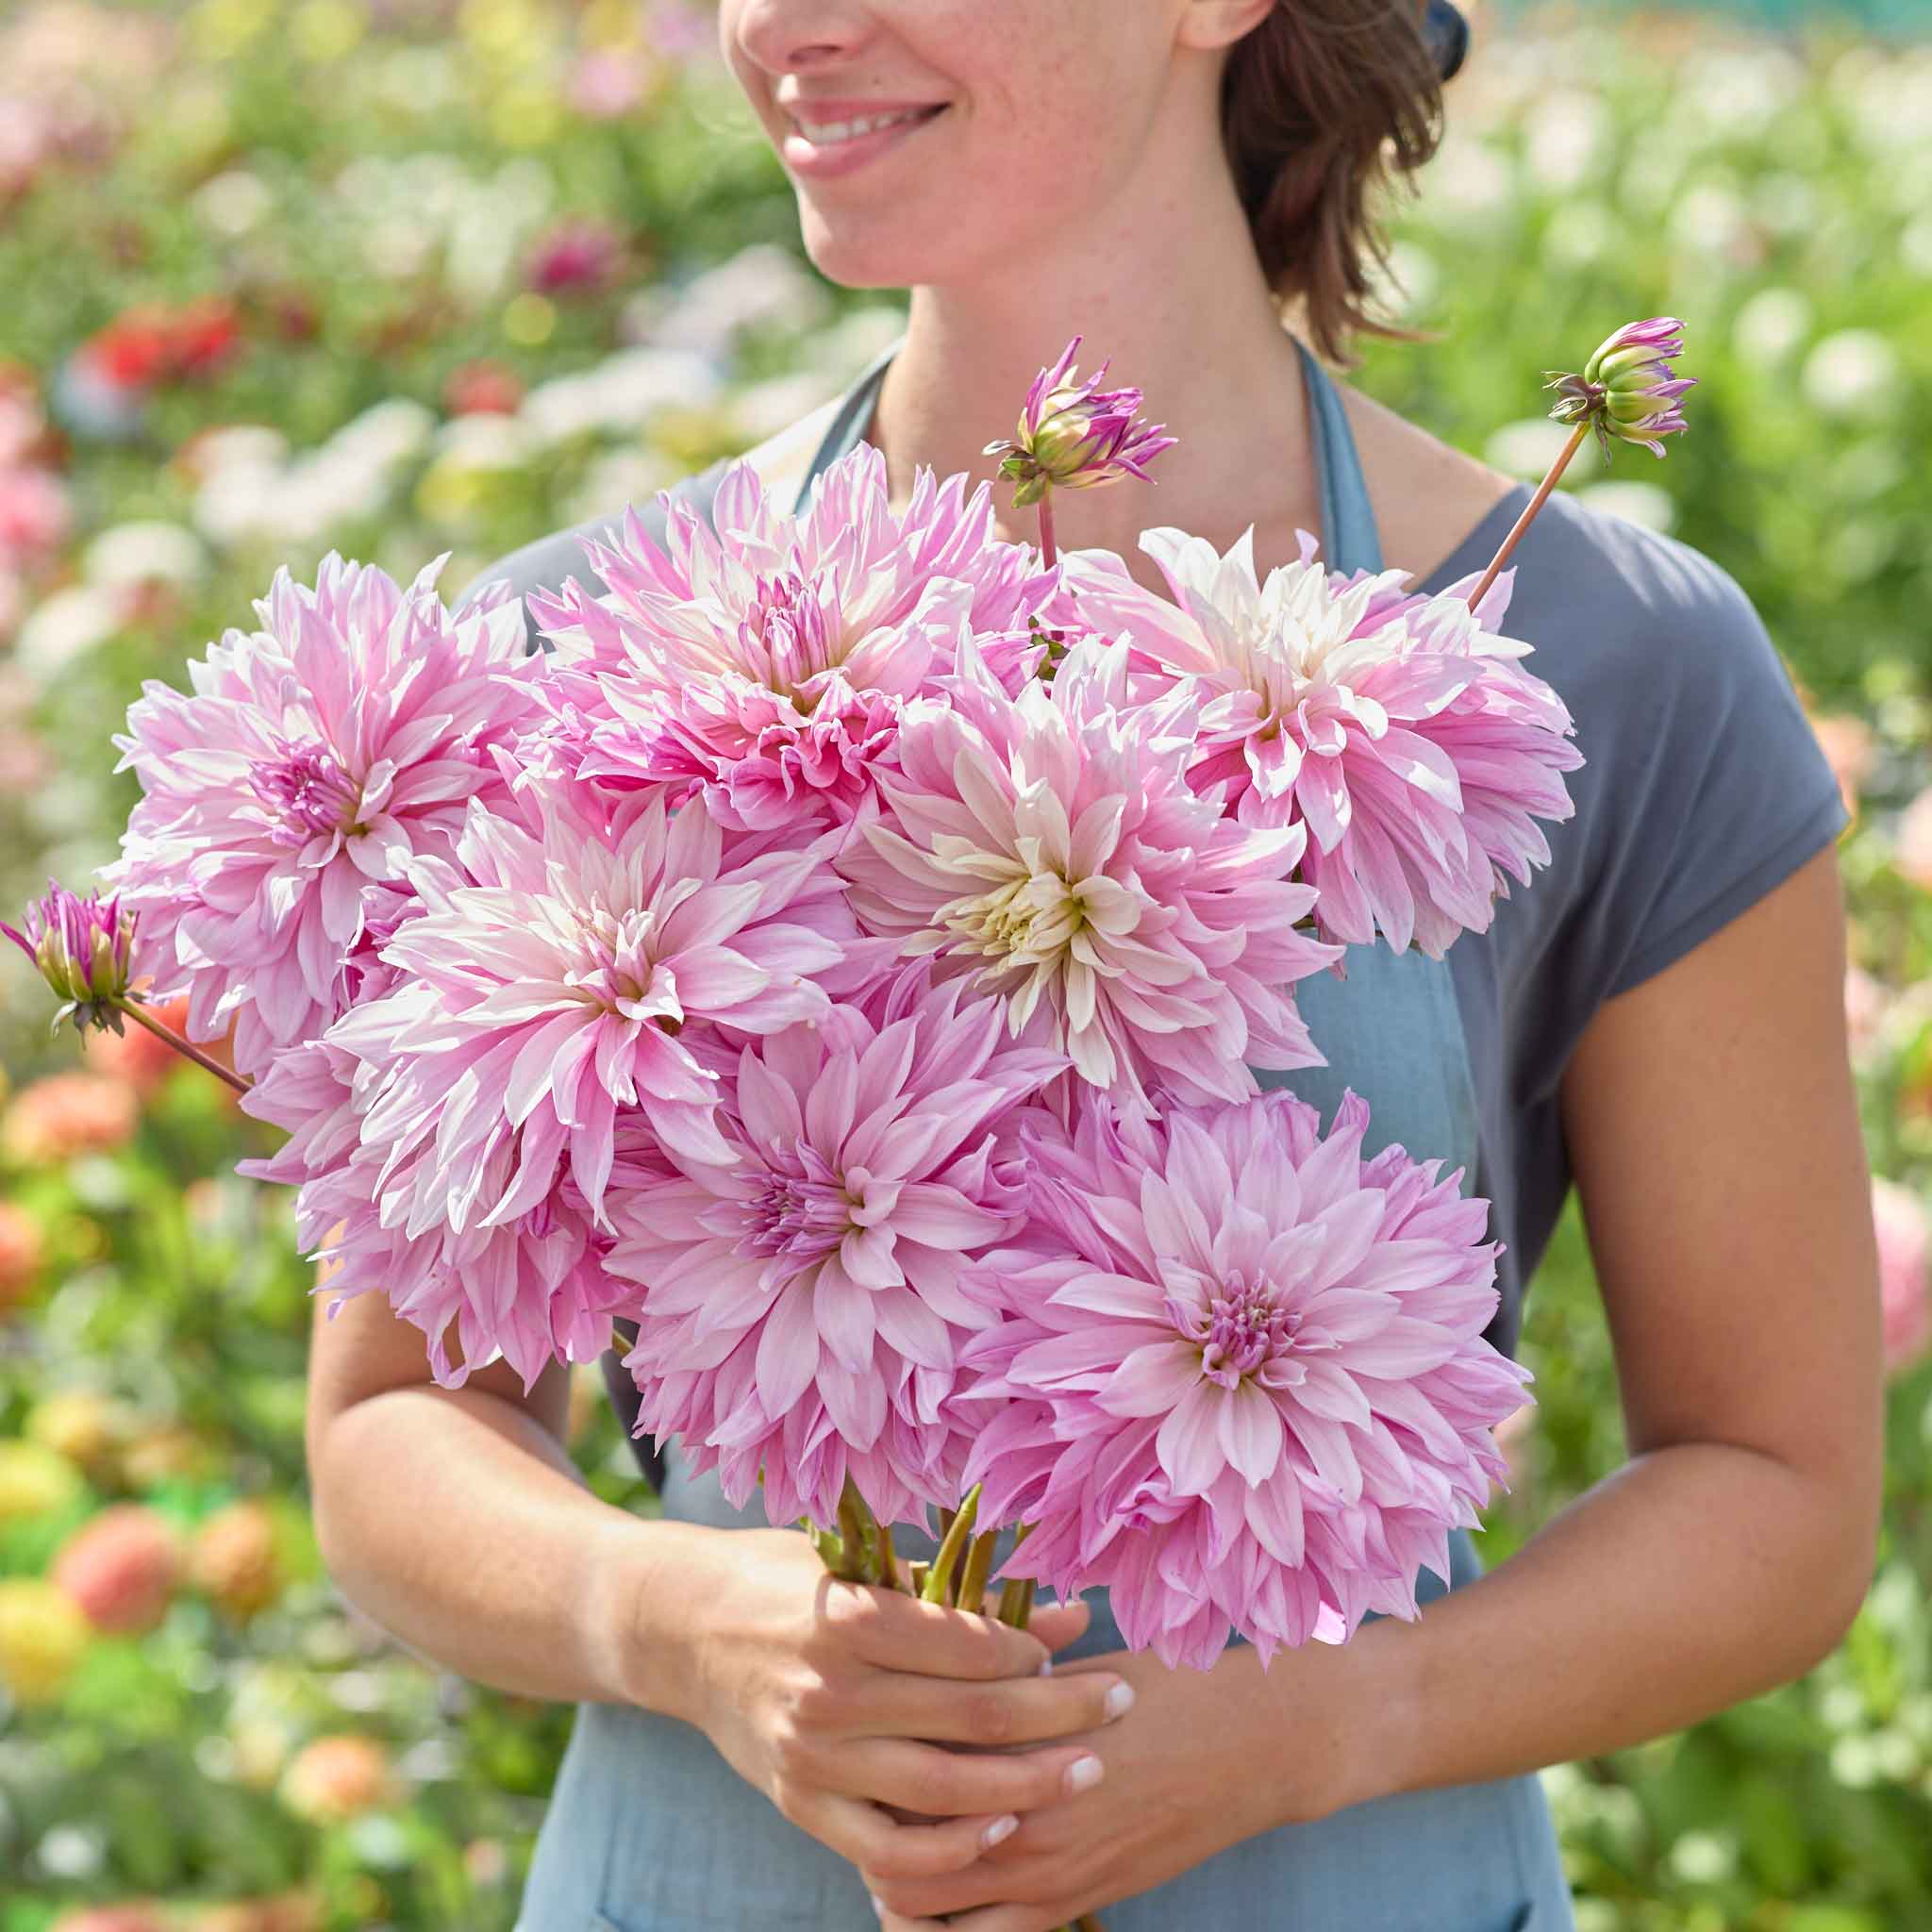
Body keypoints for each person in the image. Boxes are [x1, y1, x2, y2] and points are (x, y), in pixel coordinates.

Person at [303, 4, 1886, 1927]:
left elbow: (1772, 1484)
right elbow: (396, 1417)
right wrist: (671, 1616)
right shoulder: (575, 654)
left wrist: (1320, 1724)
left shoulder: (1613, 664)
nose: (780, 24)